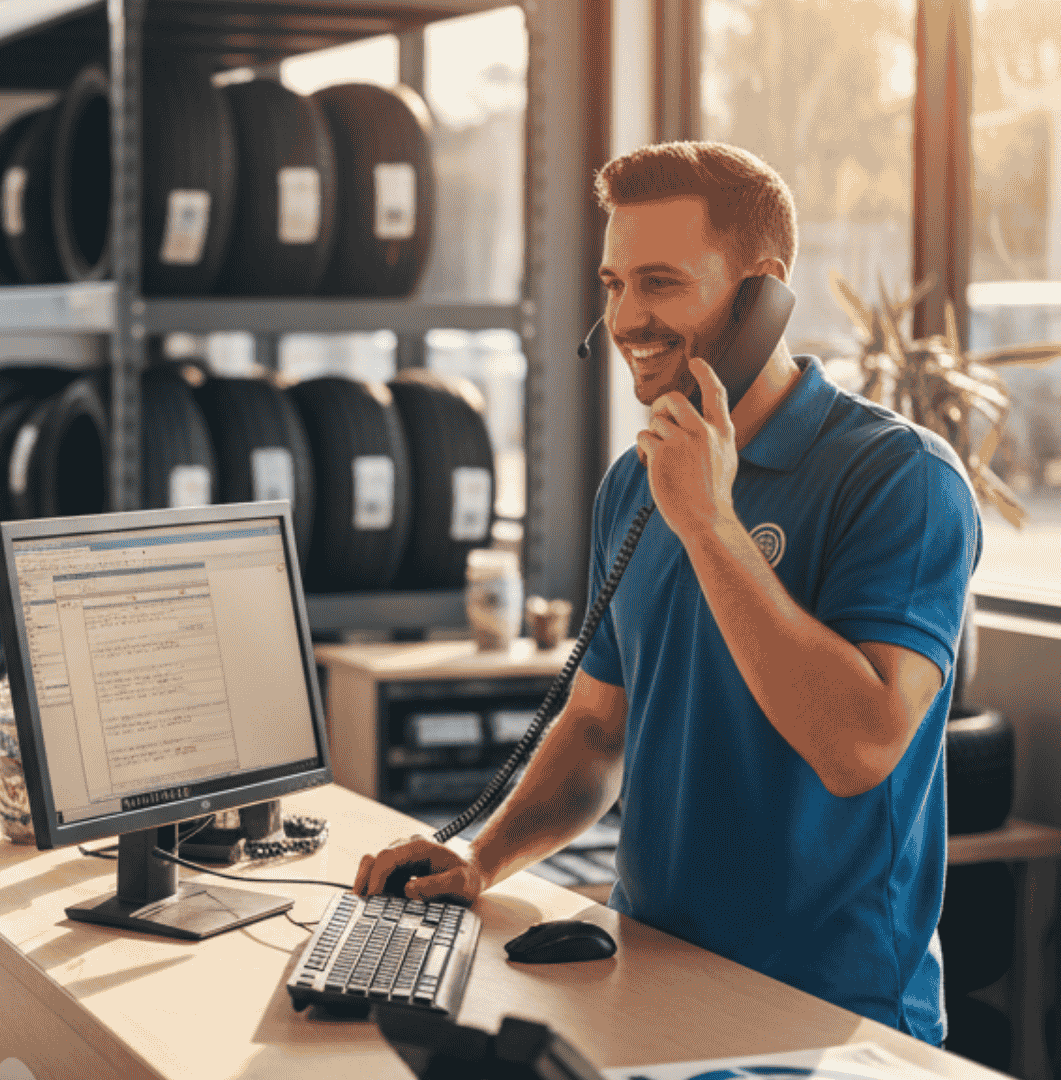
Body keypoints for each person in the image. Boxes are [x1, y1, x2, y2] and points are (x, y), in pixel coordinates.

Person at [354, 141, 980, 1045]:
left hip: (836, 1019)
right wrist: (477, 856)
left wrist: (711, 524)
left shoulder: (901, 479)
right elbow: (599, 727)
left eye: (660, 283)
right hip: (650, 976)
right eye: (613, 284)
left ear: (762, 292)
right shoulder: (635, 483)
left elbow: (862, 745)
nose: (626, 318)